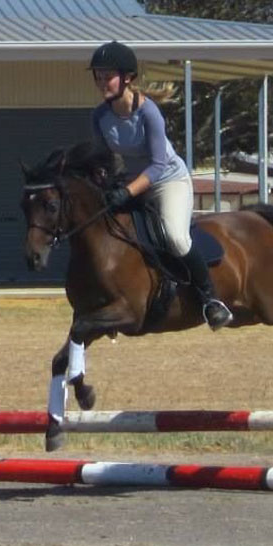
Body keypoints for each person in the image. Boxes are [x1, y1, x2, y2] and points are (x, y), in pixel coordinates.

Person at [88, 40, 233, 330]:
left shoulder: (148, 112)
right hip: (134, 181)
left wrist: (127, 191)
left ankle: (210, 301)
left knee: (176, 238)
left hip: (168, 180)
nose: (102, 82)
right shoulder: (99, 116)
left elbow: (156, 165)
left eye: (108, 76)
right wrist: (104, 182)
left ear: (127, 78)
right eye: (98, 76)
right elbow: (106, 159)